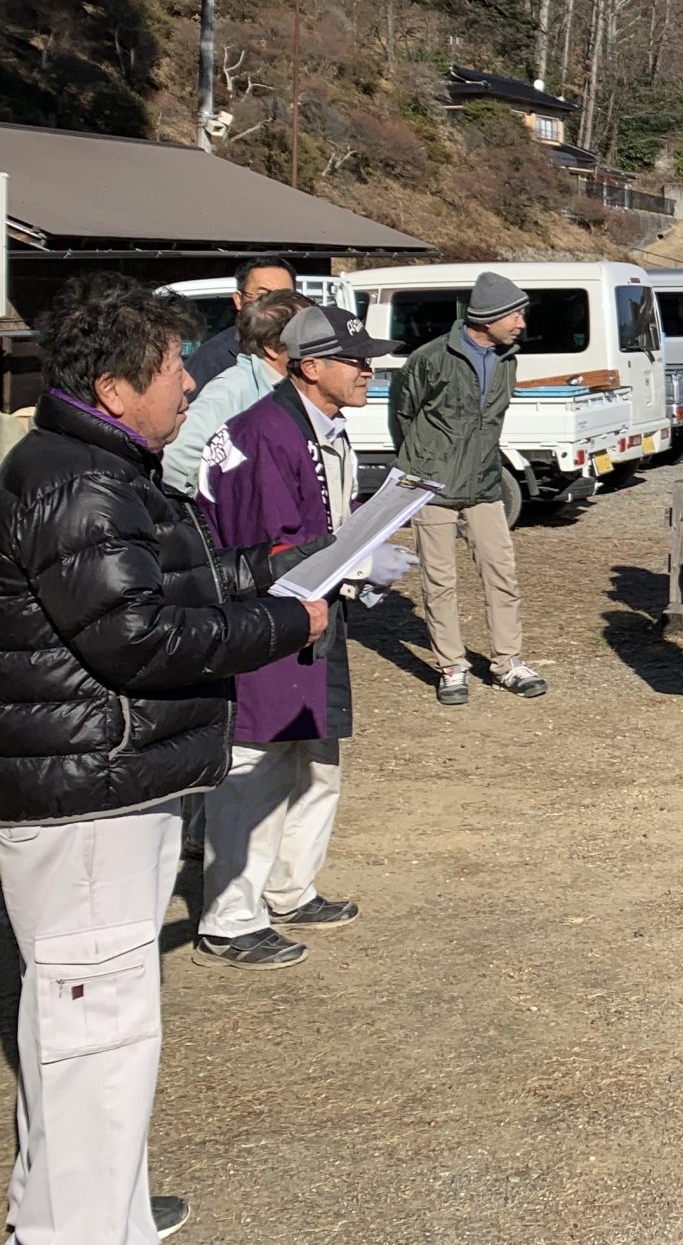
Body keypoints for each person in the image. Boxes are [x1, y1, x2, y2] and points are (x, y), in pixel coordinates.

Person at [0, 273, 326, 1245]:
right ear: (115, 388)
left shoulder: (100, 468)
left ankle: (88, 1209)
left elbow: (163, 583)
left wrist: (271, 569)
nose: (188, 384)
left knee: (83, 1027)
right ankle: (81, 1229)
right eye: (172, 368)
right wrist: (284, 623)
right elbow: (139, 636)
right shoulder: (80, 482)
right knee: (96, 1034)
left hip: (102, 783)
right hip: (89, 794)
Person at [192, 305, 411, 968]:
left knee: (317, 759)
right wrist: (359, 564)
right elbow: (272, 550)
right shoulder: (267, 436)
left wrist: (360, 558)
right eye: (355, 360)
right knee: (255, 767)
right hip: (265, 618)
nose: (368, 371)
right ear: (310, 366)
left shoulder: (325, 428)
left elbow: (327, 524)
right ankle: (230, 918)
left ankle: (289, 887)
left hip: (315, 610)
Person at [392, 270, 543, 704]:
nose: (522, 324)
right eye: (515, 315)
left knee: (502, 573)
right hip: (432, 486)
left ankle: (508, 663)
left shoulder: (508, 359)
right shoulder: (429, 358)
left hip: (485, 483)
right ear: (488, 317)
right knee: (439, 580)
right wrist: (423, 463)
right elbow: (403, 414)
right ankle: (451, 666)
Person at [162, 286, 307, 494]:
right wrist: (210, 507)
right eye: (307, 336)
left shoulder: (284, 388)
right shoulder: (231, 391)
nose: (319, 345)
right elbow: (175, 459)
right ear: (272, 347)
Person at [186, 255, 298, 391]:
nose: (276, 304)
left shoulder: (311, 346)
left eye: (285, 296)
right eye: (263, 295)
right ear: (238, 300)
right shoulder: (212, 358)